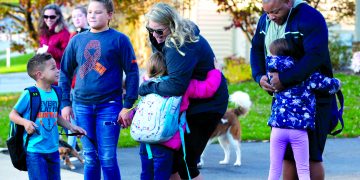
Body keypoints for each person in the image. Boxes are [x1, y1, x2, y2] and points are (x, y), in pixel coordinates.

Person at [139, 3, 229, 180]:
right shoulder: (165, 40)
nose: (155, 36)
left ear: (172, 26)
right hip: (188, 103)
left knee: (185, 163)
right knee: (171, 161)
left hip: (206, 106)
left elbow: (176, 87)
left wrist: (147, 87)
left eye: (160, 31)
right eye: (151, 30)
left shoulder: (177, 45)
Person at [250, 0, 336, 179]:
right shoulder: (265, 20)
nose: (271, 17)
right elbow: (257, 49)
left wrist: (284, 79)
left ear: (288, 2)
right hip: (285, 101)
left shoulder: (310, 18)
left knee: (311, 157)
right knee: (287, 158)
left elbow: (315, 57)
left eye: (275, 12)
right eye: (267, 13)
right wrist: (260, 77)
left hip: (313, 101)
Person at [59, 0, 139, 179]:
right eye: (89, 12)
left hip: (109, 106)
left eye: (98, 12)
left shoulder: (119, 40)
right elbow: (64, 72)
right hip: (81, 106)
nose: (92, 16)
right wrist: (65, 102)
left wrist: (128, 105)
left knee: (108, 158)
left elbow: (132, 73)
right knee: (90, 157)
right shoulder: (77, 40)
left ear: (110, 15)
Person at [139, 52, 222, 180]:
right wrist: (216, 72)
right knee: (162, 176)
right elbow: (208, 88)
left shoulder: (147, 85)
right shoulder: (181, 86)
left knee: (146, 175)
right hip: (166, 141)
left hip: (145, 142)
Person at [266, 39, 341, 180]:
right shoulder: (305, 72)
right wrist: (337, 83)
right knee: (303, 170)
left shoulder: (272, 74)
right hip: (298, 131)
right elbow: (329, 85)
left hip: (277, 129)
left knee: (274, 170)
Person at [9, 53, 86, 180]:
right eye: (53, 68)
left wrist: (71, 127)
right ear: (40, 75)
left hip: (53, 149)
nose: (58, 70)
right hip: (35, 151)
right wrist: (25, 123)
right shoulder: (30, 94)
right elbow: (13, 114)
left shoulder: (56, 92)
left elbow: (55, 115)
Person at [64, 5, 89, 152]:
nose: (77, 19)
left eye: (80, 15)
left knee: (82, 119)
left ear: (86, 17)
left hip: (87, 84)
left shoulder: (91, 35)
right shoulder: (73, 36)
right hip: (74, 85)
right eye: (74, 17)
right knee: (72, 119)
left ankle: (86, 149)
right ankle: (70, 149)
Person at [38, 4, 70, 71]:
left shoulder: (64, 33)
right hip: (45, 73)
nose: (48, 19)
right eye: (46, 16)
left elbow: (66, 56)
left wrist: (49, 49)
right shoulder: (43, 32)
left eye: (52, 17)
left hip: (58, 74)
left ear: (58, 16)